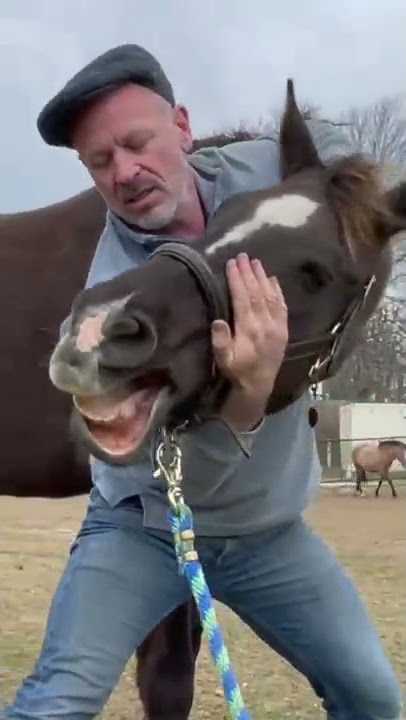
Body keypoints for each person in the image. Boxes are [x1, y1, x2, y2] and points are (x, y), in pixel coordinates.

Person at [3, 44, 402, 720]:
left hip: (270, 532)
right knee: (55, 702)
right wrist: (249, 391)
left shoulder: (258, 176)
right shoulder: (108, 302)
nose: (125, 172)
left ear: (183, 128)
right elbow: (188, 480)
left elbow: (328, 148)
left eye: (138, 143)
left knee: (374, 698)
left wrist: (356, 181)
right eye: (100, 162)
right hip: (147, 525)